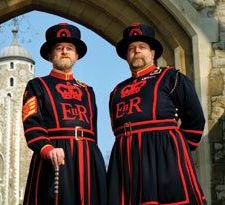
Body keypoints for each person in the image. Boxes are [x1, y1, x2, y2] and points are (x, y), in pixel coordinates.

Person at [107, 22, 206, 205]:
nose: (136, 51)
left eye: (142, 47)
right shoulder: (117, 90)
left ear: (152, 53)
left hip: (163, 155)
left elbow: (195, 118)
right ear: (127, 56)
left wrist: (176, 149)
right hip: (126, 158)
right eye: (131, 48)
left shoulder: (171, 77)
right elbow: (116, 128)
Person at [22, 22, 107, 205]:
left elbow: (94, 131)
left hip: (87, 157)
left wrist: (95, 160)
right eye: (59, 48)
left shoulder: (87, 90)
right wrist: (47, 149)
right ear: (51, 55)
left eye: (69, 48)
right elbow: (32, 122)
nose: (64, 51)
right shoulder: (37, 85)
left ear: (76, 55)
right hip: (54, 154)